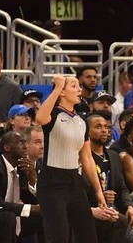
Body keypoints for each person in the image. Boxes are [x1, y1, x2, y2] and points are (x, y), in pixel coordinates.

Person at [34, 74, 106, 242]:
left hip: (75, 180)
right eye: (74, 86)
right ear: (62, 92)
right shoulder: (53, 115)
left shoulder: (82, 121)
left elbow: (87, 158)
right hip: (52, 182)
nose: (80, 89)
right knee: (58, 237)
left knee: (88, 235)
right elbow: (40, 118)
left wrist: (98, 191)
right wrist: (57, 87)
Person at [86, 113, 133, 243]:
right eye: (98, 127)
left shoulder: (113, 156)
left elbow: (122, 187)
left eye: (106, 126)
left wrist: (129, 206)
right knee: (121, 219)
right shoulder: (84, 157)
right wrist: (100, 195)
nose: (105, 130)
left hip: (117, 203)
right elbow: (79, 189)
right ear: (87, 131)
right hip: (95, 206)